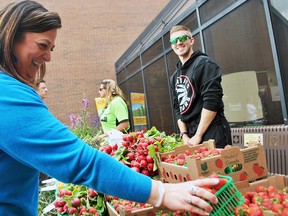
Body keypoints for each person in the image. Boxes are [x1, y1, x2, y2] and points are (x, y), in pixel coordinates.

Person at [0, 1, 219, 215]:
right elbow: (77, 160)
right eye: (42, 45)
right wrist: (161, 193)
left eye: (51, 48)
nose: (48, 56)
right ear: (11, 38)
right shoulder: (6, 94)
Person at [169, 25, 232, 148]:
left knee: (217, 167)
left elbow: (212, 101)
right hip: (191, 133)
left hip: (212, 130)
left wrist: (198, 135)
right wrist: (184, 134)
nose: (179, 42)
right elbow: (178, 109)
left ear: (191, 40)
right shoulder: (174, 77)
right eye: (174, 41)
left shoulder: (204, 64)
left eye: (182, 38)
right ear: (171, 45)